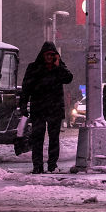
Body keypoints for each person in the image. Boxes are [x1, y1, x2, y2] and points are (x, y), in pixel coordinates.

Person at [20, 41, 73, 174]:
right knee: (37, 138)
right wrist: (23, 105)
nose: (49, 57)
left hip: (54, 108)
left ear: (55, 56)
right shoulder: (34, 67)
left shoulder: (59, 67)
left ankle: (52, 165)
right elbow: (26, 88)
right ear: (43, 55)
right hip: (39, 107)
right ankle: (37, 166)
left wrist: (58, 65)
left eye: (52, 55)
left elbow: (68, 78)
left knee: (54, 138)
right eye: (47, 55)